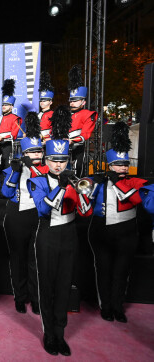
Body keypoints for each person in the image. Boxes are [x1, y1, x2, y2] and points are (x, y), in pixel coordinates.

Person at [27, 105, 93, 356]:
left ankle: (61, 334)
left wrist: (80, 190)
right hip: (47, 236)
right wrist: (61, 188)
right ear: (45, 160)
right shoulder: (37, 181)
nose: (58, 164)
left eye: (62, 160)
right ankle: (49, 333)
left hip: (69, 236)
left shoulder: (74, 180)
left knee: (65, 285)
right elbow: (44, 211)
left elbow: (85, 212)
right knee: (47, 285)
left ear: (68, 160)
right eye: (53, 159)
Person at [87, 122, 147, 323]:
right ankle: (105, 306)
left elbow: (137, 200)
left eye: (124, 164)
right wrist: (93, 185)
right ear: (109, 165)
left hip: (127, 232)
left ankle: (117, 306)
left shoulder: (134, 182)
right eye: (117, 165)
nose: (122, 168)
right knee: (103, 271)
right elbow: (84, 206)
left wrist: (118, 181)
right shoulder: (98, 181)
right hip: (100, 231)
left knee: (122, 271)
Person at [1, 112, 48, 315]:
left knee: (35, 259)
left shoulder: (47, 169)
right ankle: (20, 298)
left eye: (39, 152)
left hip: (38, 217)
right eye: (32, 152)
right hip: (16, 217)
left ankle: (36, 299)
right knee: (17, 258)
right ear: (25, 153)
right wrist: (14, 171)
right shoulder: (16, 168)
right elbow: (6, 192)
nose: (36, 155)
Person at [0, 79, 22, 187]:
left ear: (12, 106)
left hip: (8, 145)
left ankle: (8, 190)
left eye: (7, 105)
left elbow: (14, 134)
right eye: (3, 104)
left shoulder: (16, 118)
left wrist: (3, 138)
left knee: (7, 167)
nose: (4, 106)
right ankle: (2, 190)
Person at [67, 65, 97, 177]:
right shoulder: (64, 113)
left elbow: (85, 134)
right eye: (71, 101)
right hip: (61, 147)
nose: (72, 103)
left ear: (83, 102)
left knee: (77, 171)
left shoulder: (88, 115)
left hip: (77, 148)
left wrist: (71, 140)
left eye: (75, 101)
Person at [38, 71, 54, 141]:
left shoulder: (53, 114)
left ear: (50, 102)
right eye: (41, 100)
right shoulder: (38, 114)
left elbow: (54, 131)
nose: (42, 102)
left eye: (44, 101)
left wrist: (45, 137)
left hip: (48, 142)